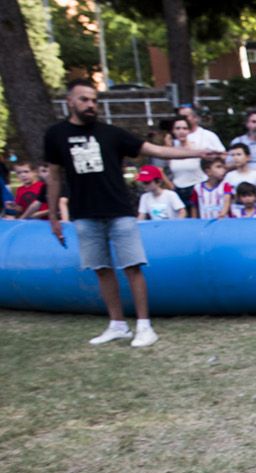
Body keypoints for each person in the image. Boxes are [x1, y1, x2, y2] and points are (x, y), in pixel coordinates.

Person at [44, 79, 218, 349]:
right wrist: (54, 215)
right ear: (70, 102)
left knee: (132, 267)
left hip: (118, 211)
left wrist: (198, 152)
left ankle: (144, 326)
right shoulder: (56, 135)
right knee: (101, 269)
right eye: (84, 100)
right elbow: (54, 177)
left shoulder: (111, 133)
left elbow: (157, 150)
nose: (91, 105)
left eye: (94, 100)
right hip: (84, 214)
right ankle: (117, 325)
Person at [166, 116, 207, 212]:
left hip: (197, 189)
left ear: (189, 130)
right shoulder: (170, 150)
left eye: (185, 128)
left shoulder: (197, 147)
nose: (181, 131)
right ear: (173, 131)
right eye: (178, 128)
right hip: (179, 190)